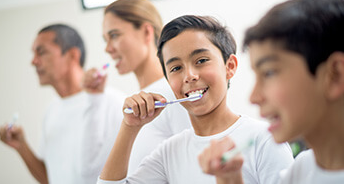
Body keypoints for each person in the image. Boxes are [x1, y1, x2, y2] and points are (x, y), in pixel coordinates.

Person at [97, 15, 294, 184]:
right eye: (176, 68)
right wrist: (129, 127)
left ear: (230, 66)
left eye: (201, 61)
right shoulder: (169, 152)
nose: (189, 76)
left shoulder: (264, 140)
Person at [198, 0, 344, 183]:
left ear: (335, 76)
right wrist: (229, 178)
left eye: (269, 73)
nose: (253, 97)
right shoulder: (302, 170)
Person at [0, 24, 125, 184]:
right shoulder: (51, 111)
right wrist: (21, 146)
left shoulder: (113, 103)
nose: (33, 61)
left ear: (72, 55)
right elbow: (49, 178)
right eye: (33, 53)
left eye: (41, 52)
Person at [83, 0, 191, 174]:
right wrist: (93, 98)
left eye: (114, 35)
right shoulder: (134, 107)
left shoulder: (174, 94)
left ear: (147, 32)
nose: (107, 48)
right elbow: (93, 170)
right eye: (105, 40)